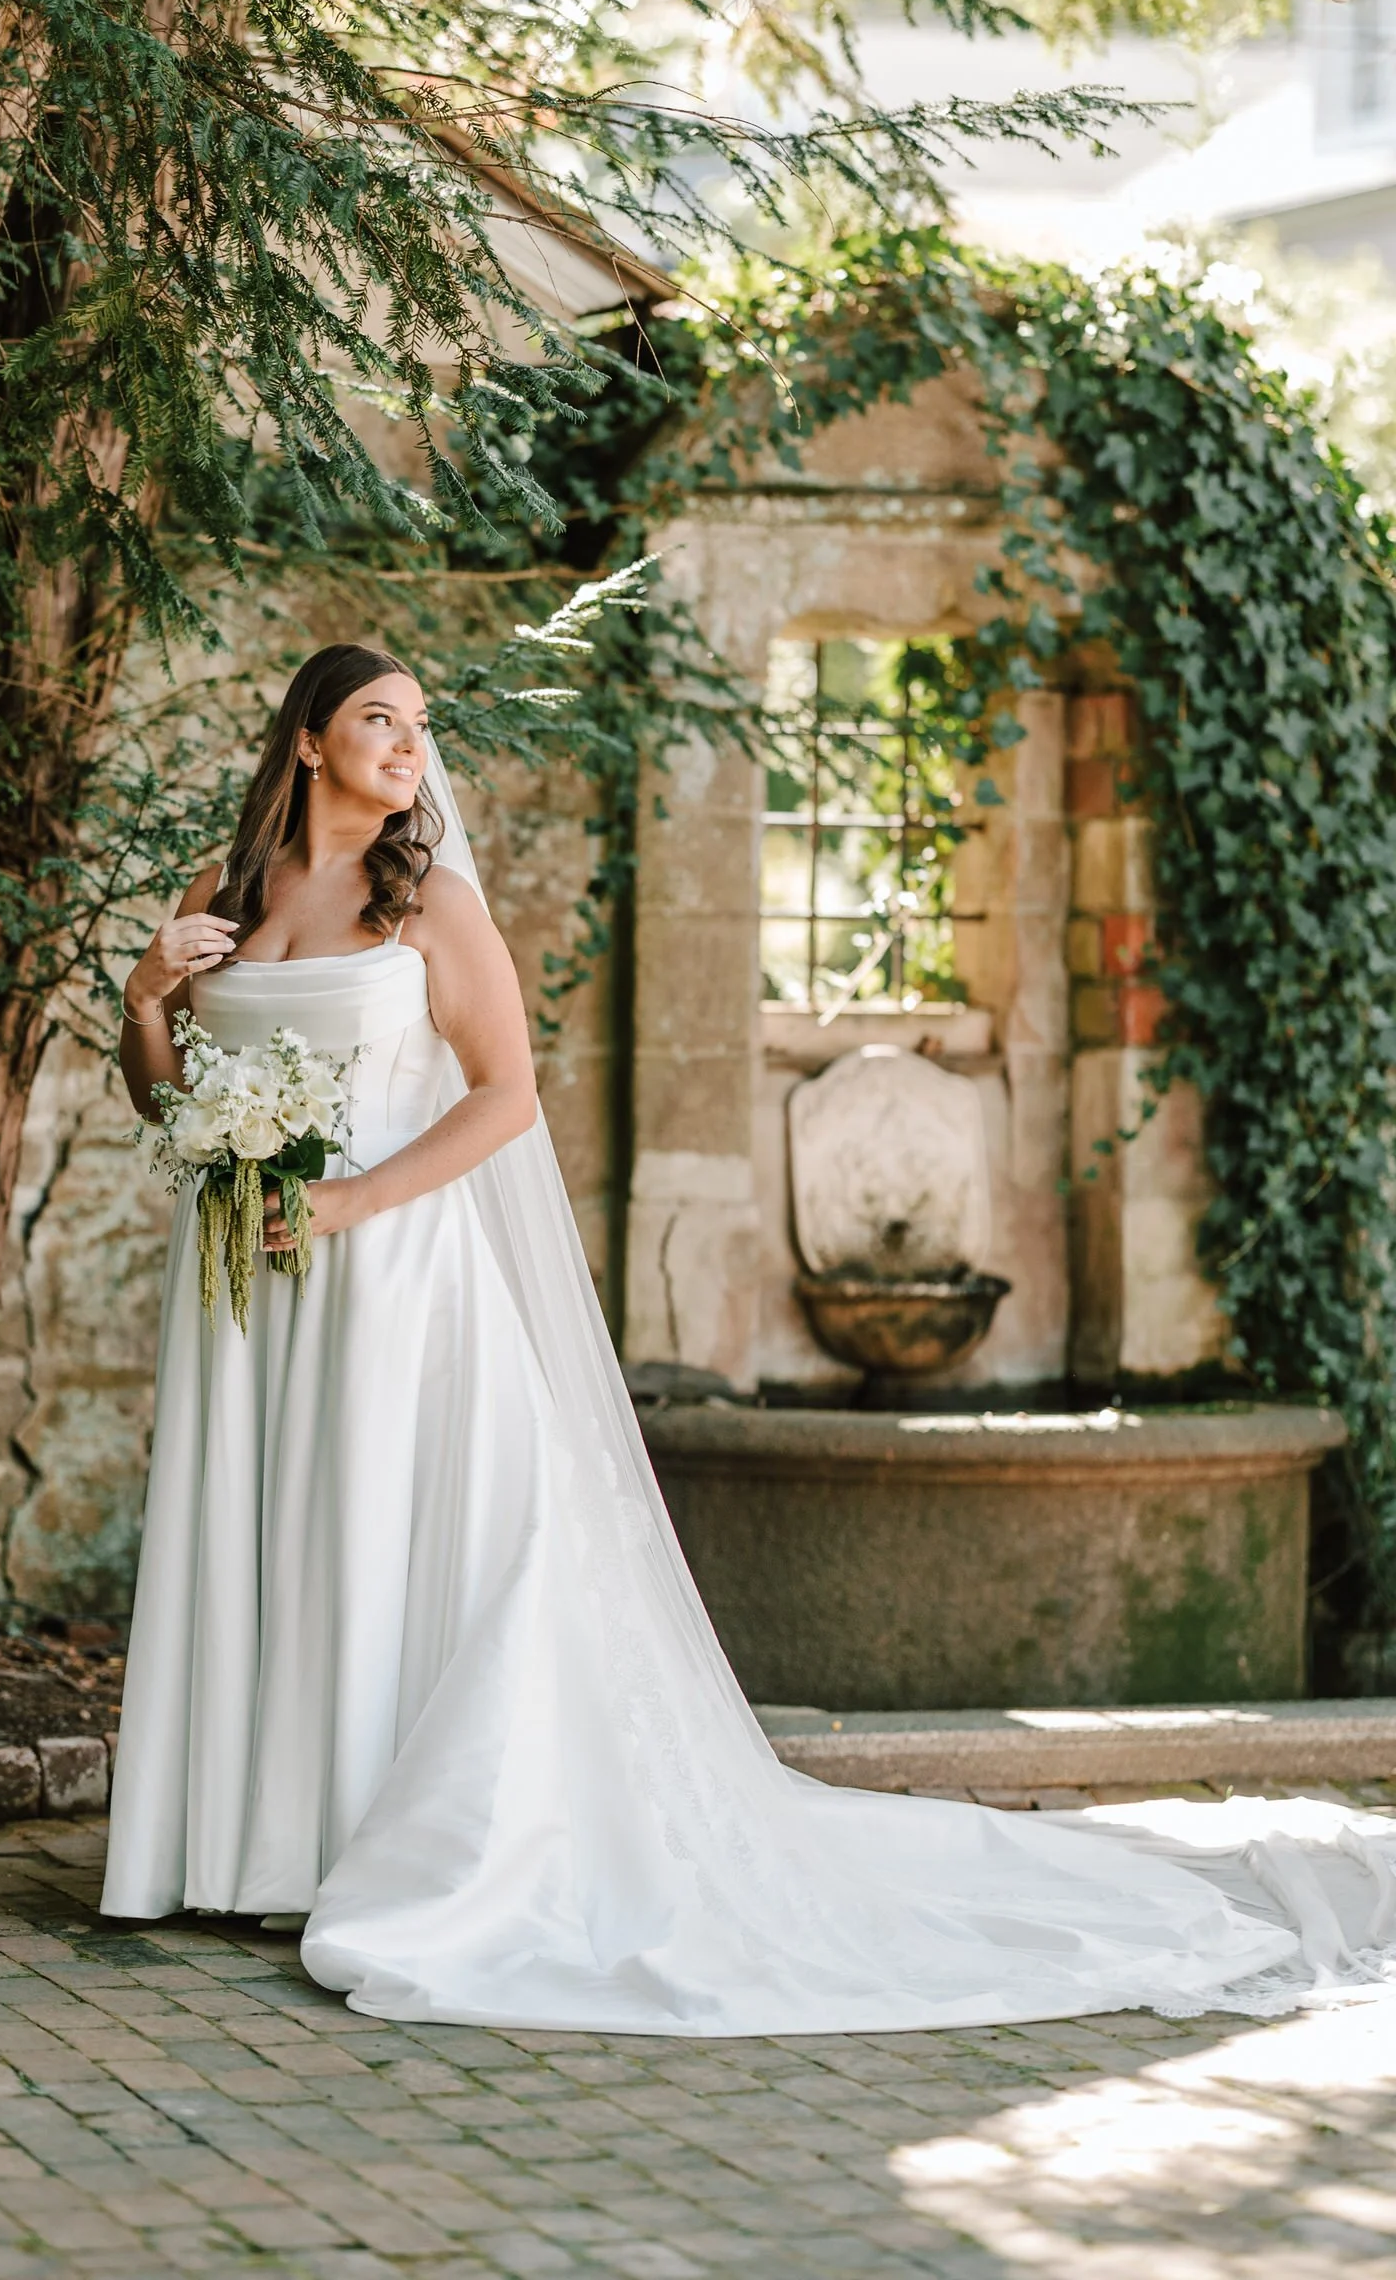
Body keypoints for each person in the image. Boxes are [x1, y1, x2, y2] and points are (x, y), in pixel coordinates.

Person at [102, 643, 1396, 2034]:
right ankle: (238, 1841)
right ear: (306, 741)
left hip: (392, 1272)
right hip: (246, 1279)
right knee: (267, 1532)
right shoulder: (218, 899)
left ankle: (341, 1844)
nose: (411, 745)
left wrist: (349, 1201)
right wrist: (143, 1003)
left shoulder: (433, 909)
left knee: (362, 1537)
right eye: (378, 720)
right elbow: (173, 1106)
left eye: (420, 723)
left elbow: (507, 1101)